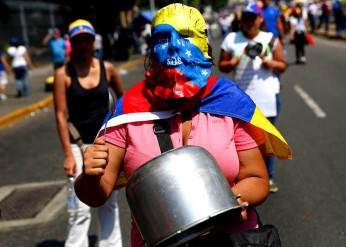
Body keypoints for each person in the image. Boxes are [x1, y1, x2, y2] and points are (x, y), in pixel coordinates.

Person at [75, 4, 291, 247]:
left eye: (187, 36)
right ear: (150, 53)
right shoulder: (129, 111)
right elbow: (97, 194)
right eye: (162, 38)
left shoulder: (228, 101)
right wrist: (89, 176)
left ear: (207, 49)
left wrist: (228, 202)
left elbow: (256, 178)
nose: (175, 46)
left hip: (231, 239)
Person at [53, 19, 124, 247]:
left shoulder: (108, 68)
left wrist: (123, 137)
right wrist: (67, 154)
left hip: (106, 144)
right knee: (79, 209)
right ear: (71, 43)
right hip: (78, 144)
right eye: (78, 40)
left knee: (108, 201)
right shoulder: (63, 74)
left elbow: (123, 102)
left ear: (94, 41)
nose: (83, 44)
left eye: (87, 39)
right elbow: (61, 115)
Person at [218, 1, 287, 193]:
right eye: (245, 19)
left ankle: (269, 177)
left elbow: (283, 65)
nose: (249, 23)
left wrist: (270, 63)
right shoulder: (231, 39)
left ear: (260, 19)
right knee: (241, 141)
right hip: (241, 100)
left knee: (267, 139)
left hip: (267, 97)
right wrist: (231, 62)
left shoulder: (270, 39)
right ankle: (245, 179)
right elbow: (221, 65)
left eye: (252, 19)